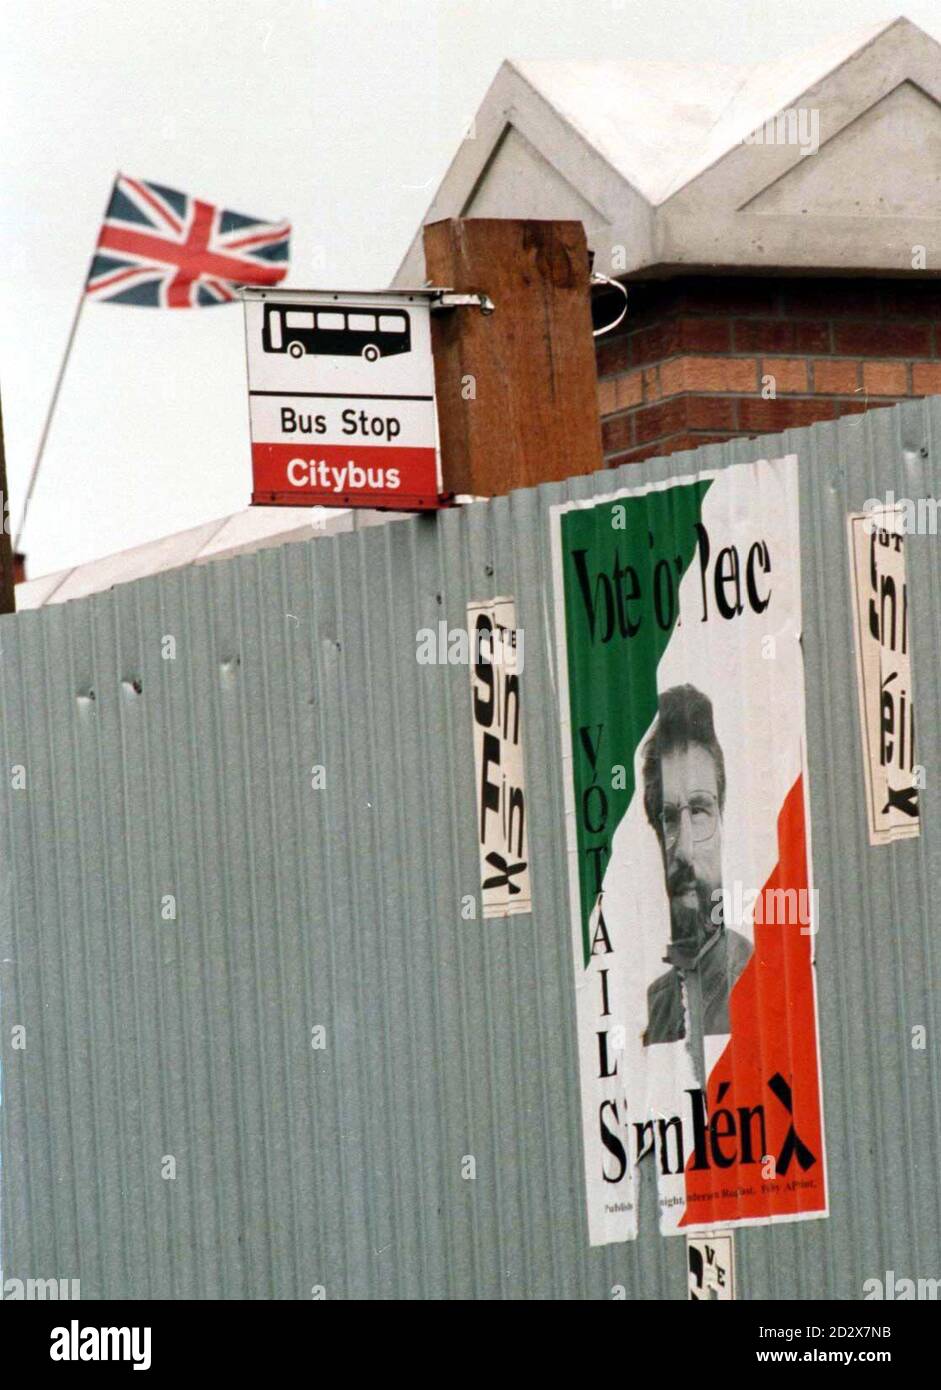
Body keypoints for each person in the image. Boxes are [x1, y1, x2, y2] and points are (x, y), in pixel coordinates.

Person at [640, 684, 752, 1068]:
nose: (684, 849)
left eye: (700, 811)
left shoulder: (757, 978)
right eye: (670, 818)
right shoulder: (656, 1005)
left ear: (723, 819)